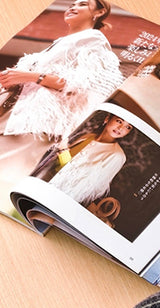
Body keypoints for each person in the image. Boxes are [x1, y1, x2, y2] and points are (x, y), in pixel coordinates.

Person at [0, 2, 123, 198]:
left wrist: (30, 76)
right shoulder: (66, 41)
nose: (72, 7)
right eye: (72, 4)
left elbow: (80, 85)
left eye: (83, 4)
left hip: (35, 125)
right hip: (15, 116)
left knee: (6, 176)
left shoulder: (94, 40)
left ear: (99, 12)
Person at [47, 112, 131, 206]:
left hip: (58, 198)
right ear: (107, 119)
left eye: (128, 127)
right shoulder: (89, 136)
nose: (121, 128)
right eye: (119, 121)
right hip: (45, 179)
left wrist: (63, 149)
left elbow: (79, 186)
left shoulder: (117, 156)